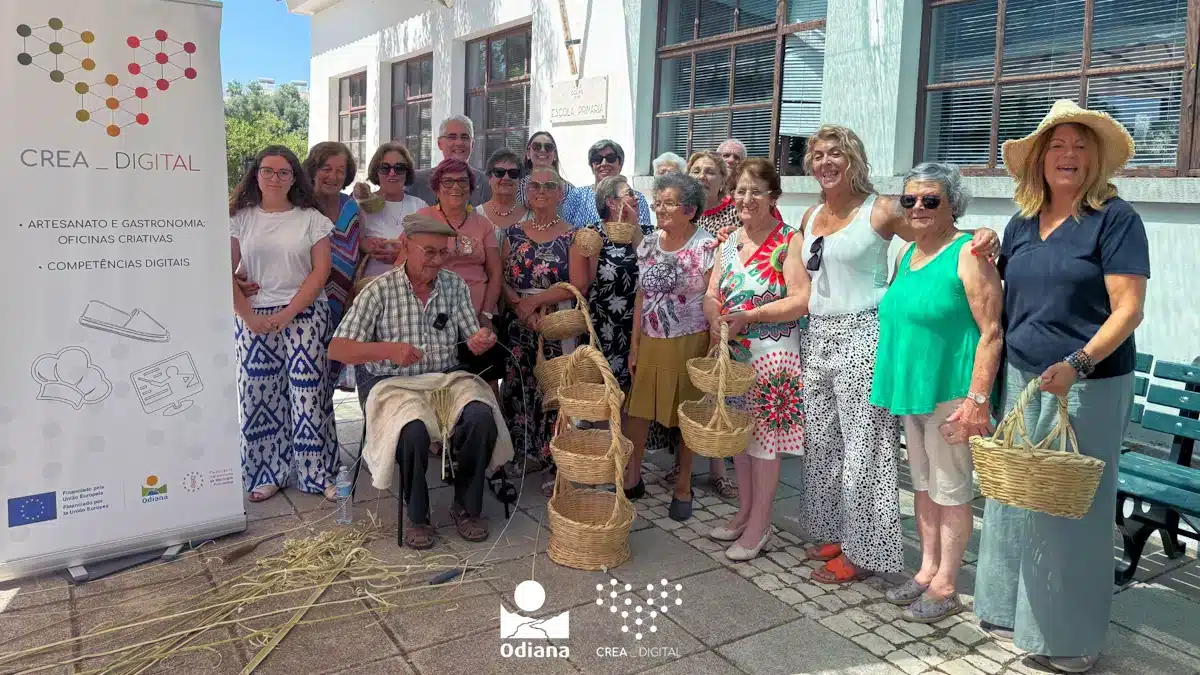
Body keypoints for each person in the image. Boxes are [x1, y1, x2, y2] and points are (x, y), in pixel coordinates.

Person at [975, 100, 1149, 674]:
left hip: (1087, 382)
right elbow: (1015, 294)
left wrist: (1079, 362)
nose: (1068, 155)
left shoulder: (1115, 218)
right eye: (1057, 145)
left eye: (1079, 145)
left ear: (1095, 158)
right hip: (1023, 376)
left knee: (1073, 511)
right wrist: (985, 255)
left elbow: (1128, 310)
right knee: (1015, 502)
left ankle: (1071, 640)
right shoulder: (1022, 221)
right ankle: (1013, 616)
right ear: (1039, 159)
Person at [797, 125, 1000, 584]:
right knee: (824, 444)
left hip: (863, 334)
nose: (826, 162)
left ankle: (865, 550)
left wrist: (983, 235)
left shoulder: (884, 209)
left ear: (853, 159)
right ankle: (837, 530)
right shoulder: (811, 215)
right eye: (818, 155)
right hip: (819, 335)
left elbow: (939, 234)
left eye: (836, 154)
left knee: (865, 450)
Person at [870, 163, 1003, 622]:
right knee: (924, 487)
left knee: (951, 490)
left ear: (953, 206)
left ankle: (947, 583)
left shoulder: (968, 252)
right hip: (912, 389)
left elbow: (991, 333)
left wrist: (976, 401)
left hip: (950, 392)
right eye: (910, 200)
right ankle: (926, 570)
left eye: (931, 200)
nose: (918, 208)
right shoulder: (908, 253)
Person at [328, 213, 506, 550]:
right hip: (392, 382)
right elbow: (338, 348)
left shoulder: (453, 285)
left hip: (444, 379)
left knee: (482, 416)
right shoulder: (378, 291)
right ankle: (418, 515)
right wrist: (388, 350)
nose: (437, 261)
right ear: (407, 247)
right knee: (412, 429)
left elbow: (470, 334)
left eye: (443, 253)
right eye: (430, 252)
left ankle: (466, 506)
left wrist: (479, 339)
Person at [704, 159, 809, 559]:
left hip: (772, 354)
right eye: (740, 191)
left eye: (756, 191)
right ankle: (744, 513)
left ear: (773, 197)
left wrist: (752, 316)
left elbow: (801, 300)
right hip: (733, 354)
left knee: (765, 443)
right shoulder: (729, 241)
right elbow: (712, 291)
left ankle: (761, 525)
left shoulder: (788, 240)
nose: (746, 199)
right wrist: (714, 314)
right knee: (738, 439)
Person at [229, 145, 338, 503]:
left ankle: (316, 471)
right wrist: (247, 315)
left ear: (295, 177)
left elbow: (321, 272)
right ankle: (266, 472)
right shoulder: (240, 218)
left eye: (284, 172)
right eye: (268, 171)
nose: (275, 178)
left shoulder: (312, 218)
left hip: (305, 315)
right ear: (256, 174)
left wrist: (287, 314)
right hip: (253, 317)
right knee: (258, 396)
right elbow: (221, 269)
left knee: (309, 396)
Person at [623, 173, 716, 520]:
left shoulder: (706, 245)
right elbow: (641, 295)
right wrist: (634, 344)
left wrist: (715, 340)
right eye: (657, 202)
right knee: (639, 411)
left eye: (668, 203)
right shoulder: (648, 244)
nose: (659, 209)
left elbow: (713, 295)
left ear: (690, 209)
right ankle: (633, 476)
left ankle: (684, 484)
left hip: (690, 341)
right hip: (651, 339)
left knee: (687, 414)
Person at [498, 166, 590, 494]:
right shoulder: (512, 234)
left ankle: (556, 460)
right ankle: (523, 453)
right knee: (518, 385)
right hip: (520, 324)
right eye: (534, 185)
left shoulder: (573, 235)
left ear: (560, 192)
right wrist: (519, 306)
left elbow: (578, 284)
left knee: (556, 390)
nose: (541, 190)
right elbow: (504, 280)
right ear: (526, 191)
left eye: (549, 185)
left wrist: (535, 304)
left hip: (557, 322)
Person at [417, 158, 504, 385]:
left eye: (463, 181)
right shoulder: (423, 218)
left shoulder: (483, 224)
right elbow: (404, 266)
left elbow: (495, 273)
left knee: (485, 383)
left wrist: (486, 315)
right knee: (440, 385)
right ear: (437, 187)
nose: (456, 187)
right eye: (448, 181)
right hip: (434, 319)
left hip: (476, 318)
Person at [581, 175, 643, 394]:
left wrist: (634, 226)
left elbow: (649, 267)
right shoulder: (591, 233)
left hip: (635, 324)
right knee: (602, 387)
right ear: (611, 202)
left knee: (632, 388)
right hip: (602, 321)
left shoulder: (645, 231)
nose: (636, 197)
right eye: (629, 193)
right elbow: (586, 284)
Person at [352, 143, 428, 285]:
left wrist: (403, 254)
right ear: (376, 172)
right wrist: (365, 245)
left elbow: (430, 249)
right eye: (385, 168)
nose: (392, 173)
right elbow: (350, 244)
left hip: (411, 286)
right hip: (371, 285)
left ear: (407, 172)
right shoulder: (362, 206)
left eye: (399, 168)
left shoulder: (420, 207)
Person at [562, 140, 652, 232]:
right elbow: (565, 232)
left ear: (620, 164)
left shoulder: (637, 199)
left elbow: (644, 234)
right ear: (592, 166)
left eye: (610, 158)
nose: (604, 163)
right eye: (597, 159)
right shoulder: (577, 196)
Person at [409, 115, 492, 206]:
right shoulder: (416, 182)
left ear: (472, 145)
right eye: (452, 137)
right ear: (439, 144)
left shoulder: (488, 183)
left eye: (464, 137)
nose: (459, 143)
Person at [480, 148, 529, 240]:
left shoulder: (532, 217)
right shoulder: (475, 216)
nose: (506, 178)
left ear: (519, 180)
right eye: (499, 172)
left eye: (513, 173)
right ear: (489, 178)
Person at [516, 131, 573, 209]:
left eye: (548, 147)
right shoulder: (517, 189)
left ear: (555, 155)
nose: (542, 150)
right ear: (528, 154)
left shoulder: (570, 191)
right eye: (536, 147)